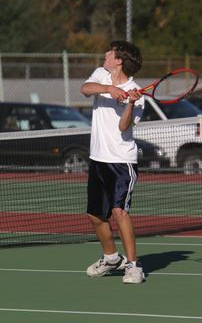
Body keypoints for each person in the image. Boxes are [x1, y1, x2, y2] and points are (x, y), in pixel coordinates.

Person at [80, 40, 145, 284]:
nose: (105, 54)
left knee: (119, 211)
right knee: (95, 215)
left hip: (121, 162)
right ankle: (110, 258)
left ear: (118, 60)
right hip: (97, 158)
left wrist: (129, 103)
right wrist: (109, 89)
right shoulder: (101, 74)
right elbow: (85, 89)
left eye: (109, 52)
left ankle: (134, 266)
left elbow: (123, 127)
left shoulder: (137, 93)